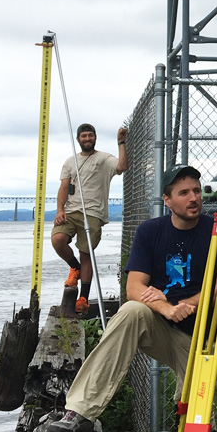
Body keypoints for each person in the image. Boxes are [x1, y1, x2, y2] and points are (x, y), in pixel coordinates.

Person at [48, 165, 217, 432]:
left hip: (199, 338)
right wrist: (164, 308)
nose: (193, 198)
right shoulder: (150, 232)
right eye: (184, 192)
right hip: (161, 324)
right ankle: (80, 410)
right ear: (168, 200)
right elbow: (133, 287)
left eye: (197, 191)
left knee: (198, 413)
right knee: (131, 312)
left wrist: (184, 304)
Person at [52, 123, 129, 314]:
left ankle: (83, 298)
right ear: (78, 139)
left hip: (94, 213)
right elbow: (63, 187)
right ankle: (74, 268)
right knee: (58, 240)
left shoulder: (104, 158)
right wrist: (60, 210)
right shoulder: (70, 162)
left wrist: (121, 142)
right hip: (71, 211)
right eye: (83, 136)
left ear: (95, 138)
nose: (87, 139)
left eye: (90, 136)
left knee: (86, 254)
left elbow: (122, 166)